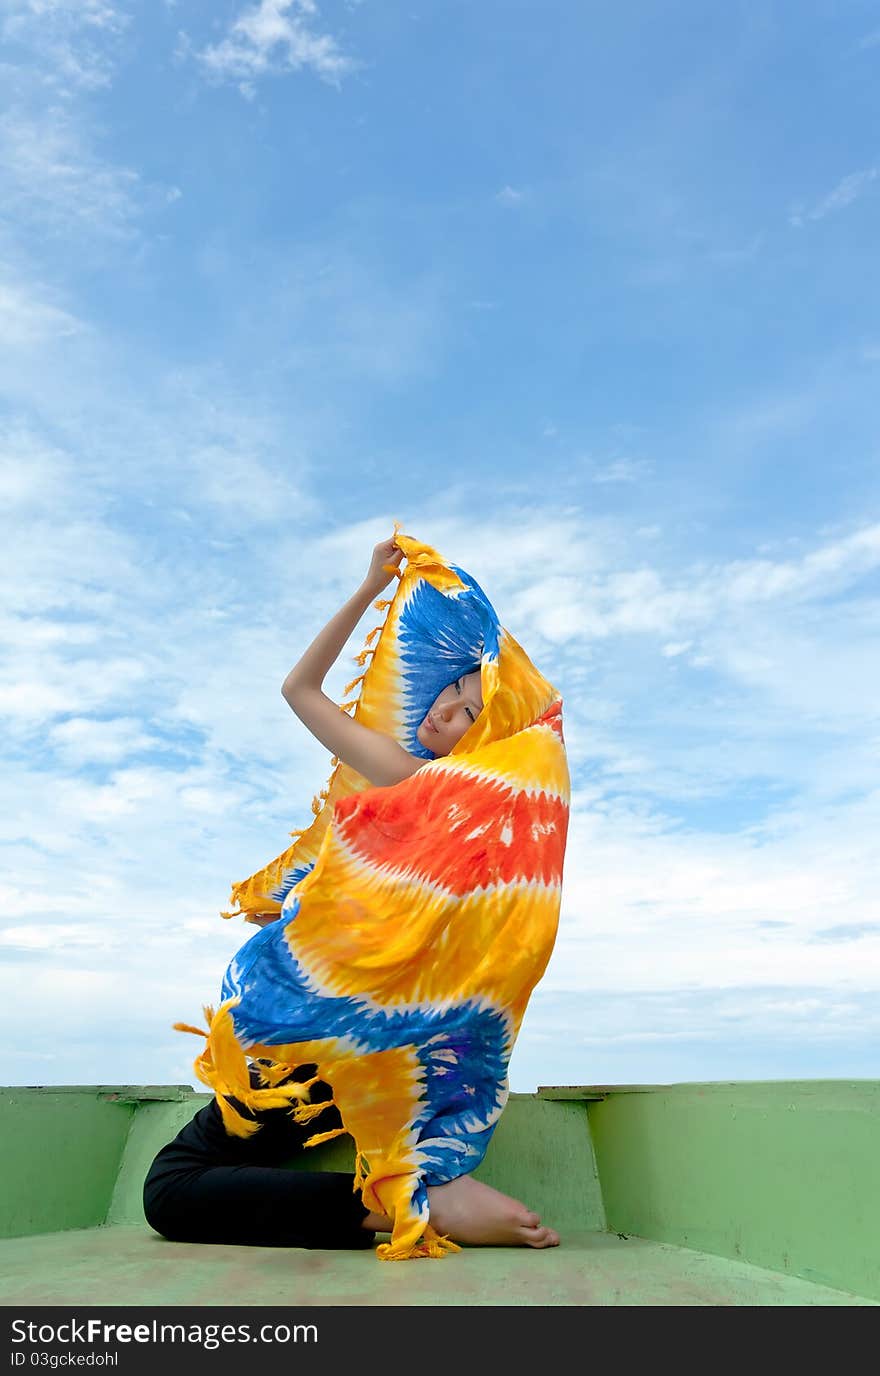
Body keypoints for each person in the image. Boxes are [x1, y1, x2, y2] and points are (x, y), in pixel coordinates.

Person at [144, 535, 560, 1253]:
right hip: (375, 1057)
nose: (441, 710)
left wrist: (372, 587)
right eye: (448, 691)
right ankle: (402, 1196)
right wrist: (369, 587)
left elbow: (298, 691)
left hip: (324, 1050)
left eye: (464, 711)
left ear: (484, 735)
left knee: (171, 1189)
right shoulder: (458, 822)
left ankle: (402, 1205)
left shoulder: (408, 780)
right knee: (197, 1172)